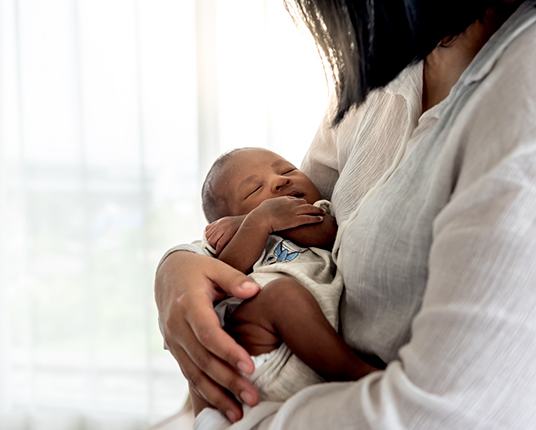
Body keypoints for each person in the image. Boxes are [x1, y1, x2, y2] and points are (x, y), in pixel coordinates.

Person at [155, 0, 536, 428]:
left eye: (282, 171)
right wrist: (181, 264)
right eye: (259, 186)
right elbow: (251, 226)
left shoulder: (518, 97)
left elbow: (442, 415)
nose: (281, 181)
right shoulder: (381, 71)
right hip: (261, 375)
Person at [188, 147, 379, 414]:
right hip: (262, 347)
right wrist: (256, 222)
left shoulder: (318, 211)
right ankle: (360, 375)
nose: (280, 180)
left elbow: (326, 233)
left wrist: (260, 217)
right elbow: (225, 273)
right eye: (254, 190)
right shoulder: (239, 237)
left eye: (287, 170)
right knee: (280, 295)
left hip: (310, 361)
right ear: (226, 219)